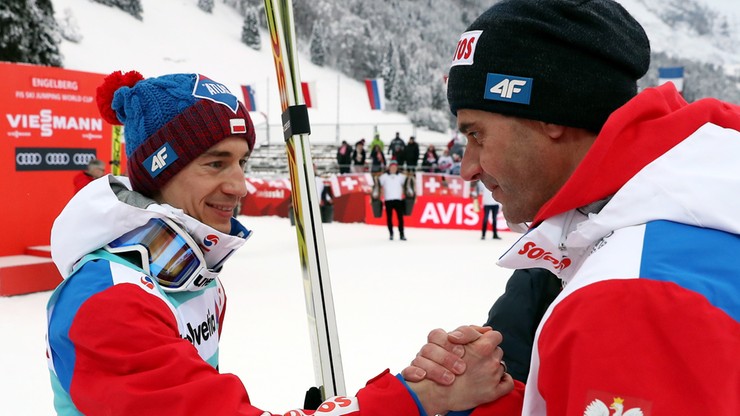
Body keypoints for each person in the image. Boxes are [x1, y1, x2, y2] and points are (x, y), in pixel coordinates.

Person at [45, 70, 514, 416]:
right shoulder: (110, 301)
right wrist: (421, 396)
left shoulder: (186, 274)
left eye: (242, 163)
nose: (241, 185)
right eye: (215, 163)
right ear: (159, 170)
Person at [403, 0, 740, 413]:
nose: (467, 168)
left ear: (552, 116)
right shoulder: (694, 199)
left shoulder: (627, 298)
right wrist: (493, 397)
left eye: (477, 135)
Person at [377, 160, 407, 241]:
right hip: (388, 199)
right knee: (389, 218)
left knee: (400, 218)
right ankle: (391, 234)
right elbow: (377, 184)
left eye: (395, 167)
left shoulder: (401, 176)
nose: (393, 169)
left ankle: (401, 234)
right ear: (389, 167)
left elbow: (408, 183)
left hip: (398, 199)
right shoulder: (384, 177)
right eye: (392, 167)